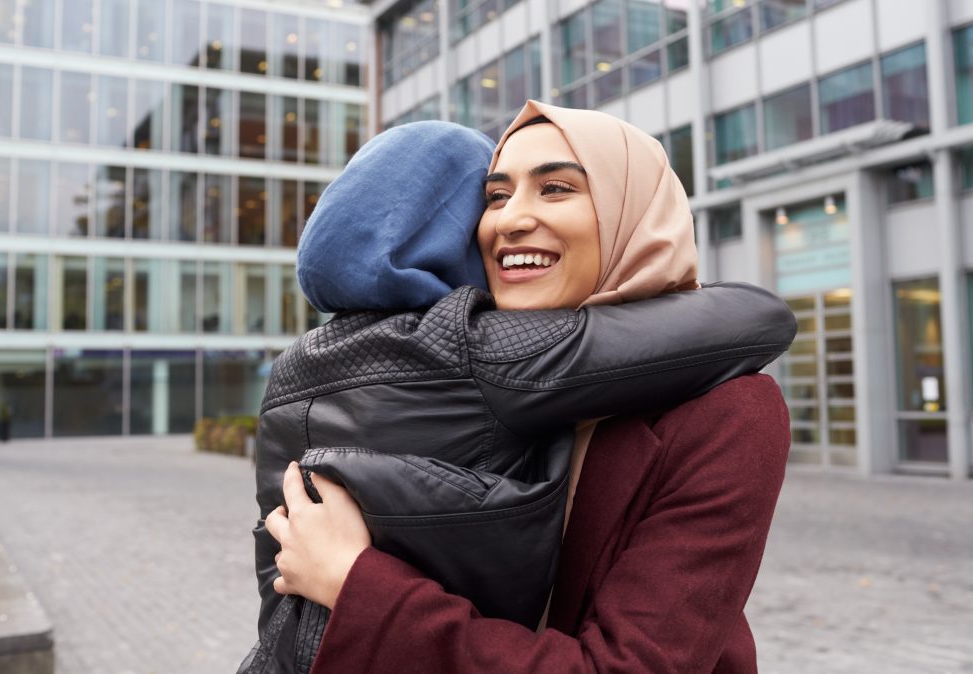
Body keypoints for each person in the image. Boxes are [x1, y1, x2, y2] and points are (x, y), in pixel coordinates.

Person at [259, 105, 794, 672]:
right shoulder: (466, 369)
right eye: (494, 197)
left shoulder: (727, 411)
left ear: (628, 213)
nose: (509, 220)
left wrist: (354, 585)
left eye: (556, 188)